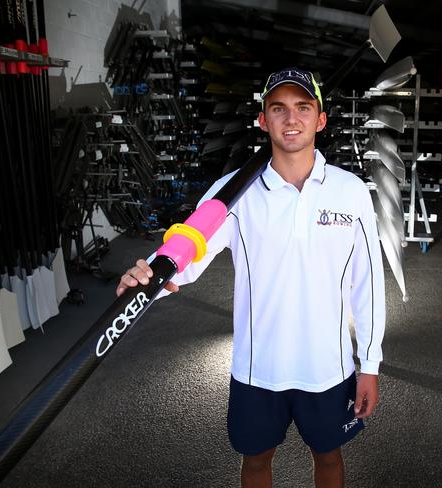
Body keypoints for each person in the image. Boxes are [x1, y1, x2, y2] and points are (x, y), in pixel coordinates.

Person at [117, 67, 386, 488]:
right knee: (256, 461)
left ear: (321, 119)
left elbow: (368, 282)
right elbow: (187, 250)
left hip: (328, 367)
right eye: (278, 109)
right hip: (257, 370)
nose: (291, 119)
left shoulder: (349, 191)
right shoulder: (233, 192)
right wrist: (149, 277)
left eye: (302, 107)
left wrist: (369, 363)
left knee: (329, 458)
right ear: (262, 120)